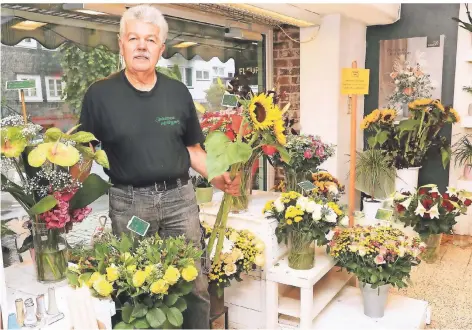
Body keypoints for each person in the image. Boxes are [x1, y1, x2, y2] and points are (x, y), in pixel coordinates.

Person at [78, 5, 240, 328]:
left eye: (150, 40)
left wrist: (218, 175)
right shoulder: (99, 96)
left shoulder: (178, 93)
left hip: (180, 201)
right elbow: (85, 154)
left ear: (161, 49)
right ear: (121, 44)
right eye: (133, 38)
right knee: (134, 288)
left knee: (195, 286)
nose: (141, 46)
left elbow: (192, 150)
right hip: (130, 205)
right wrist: (64, 191)